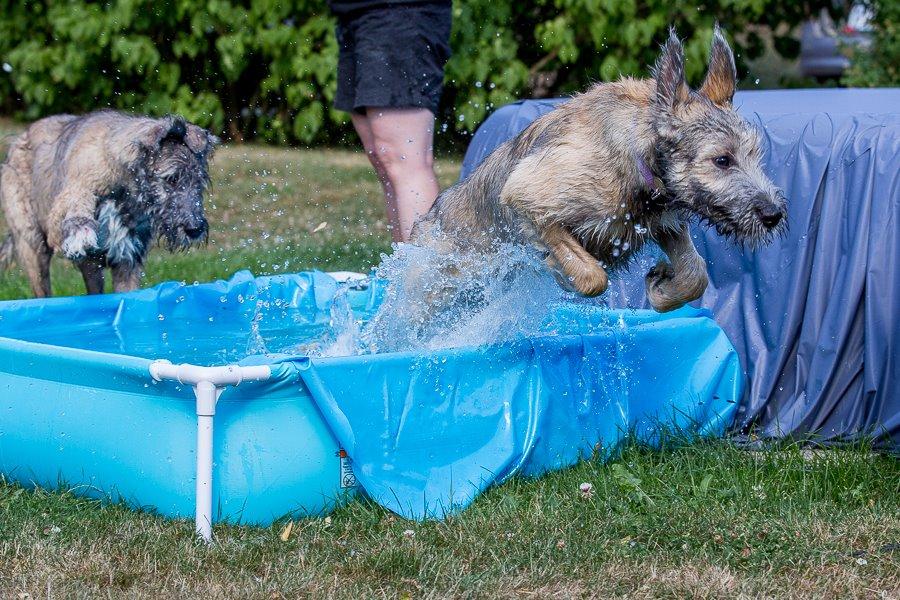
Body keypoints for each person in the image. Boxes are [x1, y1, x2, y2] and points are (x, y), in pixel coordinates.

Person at [328, 0, 452, 242]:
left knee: (403, 158)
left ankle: (429, 277)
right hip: (356, 14)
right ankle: (404, 271)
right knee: (383, 157)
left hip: (400, 12)